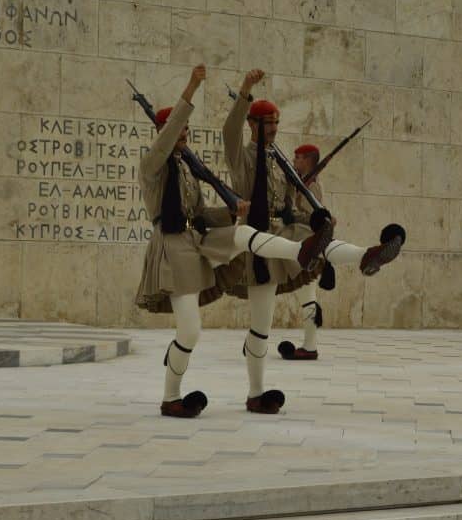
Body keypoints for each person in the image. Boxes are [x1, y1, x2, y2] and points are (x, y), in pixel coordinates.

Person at [134, 65, 333, 418]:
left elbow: (200, 213)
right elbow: (170, 139)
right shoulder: (152, 167)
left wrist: (231, 210)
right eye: (179, 131)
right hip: (171, 250)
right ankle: (171, 397)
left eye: (186, 131)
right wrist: (192, 86)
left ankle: (304, 251)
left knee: (242, 234)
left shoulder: (186, 171)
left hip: (196, 243)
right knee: (190, 332)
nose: (184, 136)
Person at [223, 69, 405, 414]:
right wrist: (245, 90)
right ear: (253, 125)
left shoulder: (278, 162)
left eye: (277, 123)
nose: (274, 130)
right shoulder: (242, 157)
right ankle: (256, 393)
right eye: (268, 124)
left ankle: (368, 255)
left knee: (319, 241)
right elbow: (229, 131)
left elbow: (291, 207)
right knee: (261, 325)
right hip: (257, 241)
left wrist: (317, 219)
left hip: (284, 233)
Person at [277, 143, 326, 361]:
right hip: (299, 242)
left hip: (307, 243)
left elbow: (314, 218)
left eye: (297, 157)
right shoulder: (303, 182)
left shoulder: (312, 186)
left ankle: (310, 346)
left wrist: (292, 215)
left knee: (307, 295)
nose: (294, 160)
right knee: (306, 294)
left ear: (307, 160)